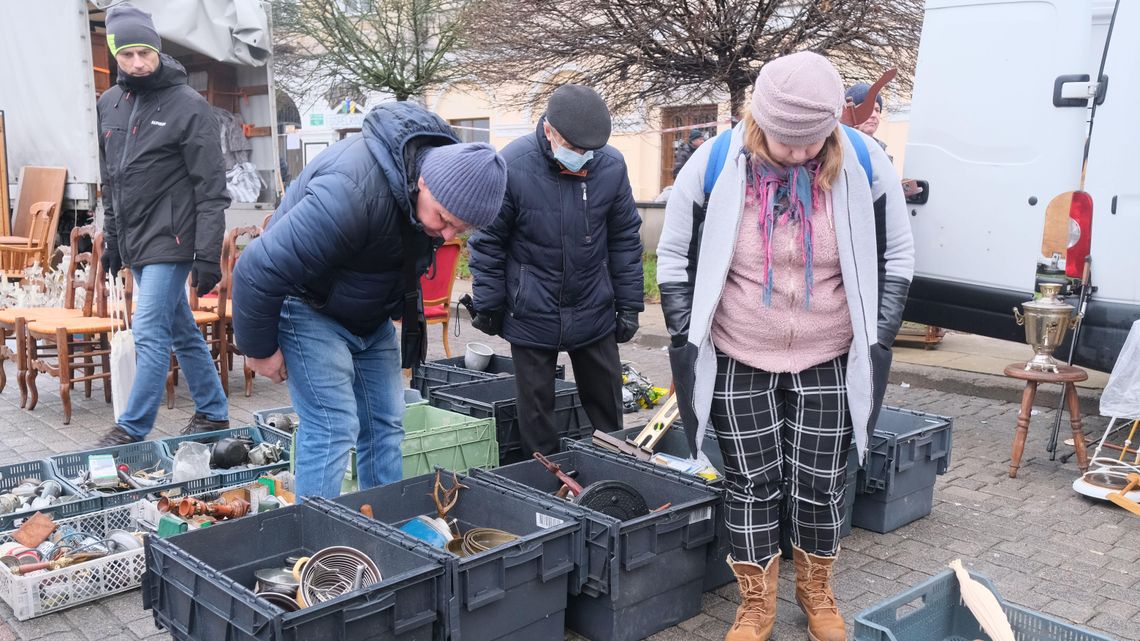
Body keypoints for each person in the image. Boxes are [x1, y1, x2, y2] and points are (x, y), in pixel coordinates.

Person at [657, 52, 914, 641]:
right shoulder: (713, 163)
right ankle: (755, 603)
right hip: (738, 351)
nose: (799, 154)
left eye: (813, 142)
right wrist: (682, 332)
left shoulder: (865, 162)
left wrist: (879, 333)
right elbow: (672, 257)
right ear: (758, 121)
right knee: (751, 481)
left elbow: (898, 256)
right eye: (784, 141)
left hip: (830, 353)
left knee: (820, 481)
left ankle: (816, 591)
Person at [231, 102, 507, 499]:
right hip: (308, 304)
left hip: (368, 316)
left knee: (386, 423)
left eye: (459, 229)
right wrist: (258, 350)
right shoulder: (350, 192)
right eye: (443, 219)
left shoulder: (427, 185)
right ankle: (319, 548)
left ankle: (382, 528)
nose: (446, 236)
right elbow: (256, 269)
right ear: (424, 182)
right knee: (332, 426)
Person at [467, 84, 643, 457]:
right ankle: (545, 479)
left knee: (606, 404)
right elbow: (488, 240)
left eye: (588, 150)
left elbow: (625, 238)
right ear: (549, 131)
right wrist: (489, 303)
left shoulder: (609, 166)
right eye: (574, 148)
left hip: (593, 305)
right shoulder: (513, 165)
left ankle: (615, 468)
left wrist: (629, 304)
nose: (581, 156)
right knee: (535, 410)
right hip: (532, 307)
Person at [96, 5, 231, 446]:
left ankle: (131, 430)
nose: (138, 62)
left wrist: (207, 254)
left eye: (146, 53)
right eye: (128, 53)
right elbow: (111, 180)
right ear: (115, 53)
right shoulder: (109, 104)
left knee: (150, 329)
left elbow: (210, 188)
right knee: (181, 329)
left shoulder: (188, 106)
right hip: (135, 240)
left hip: (172, 241)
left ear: (158, 50)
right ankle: (213, 413)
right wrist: (112, 240)